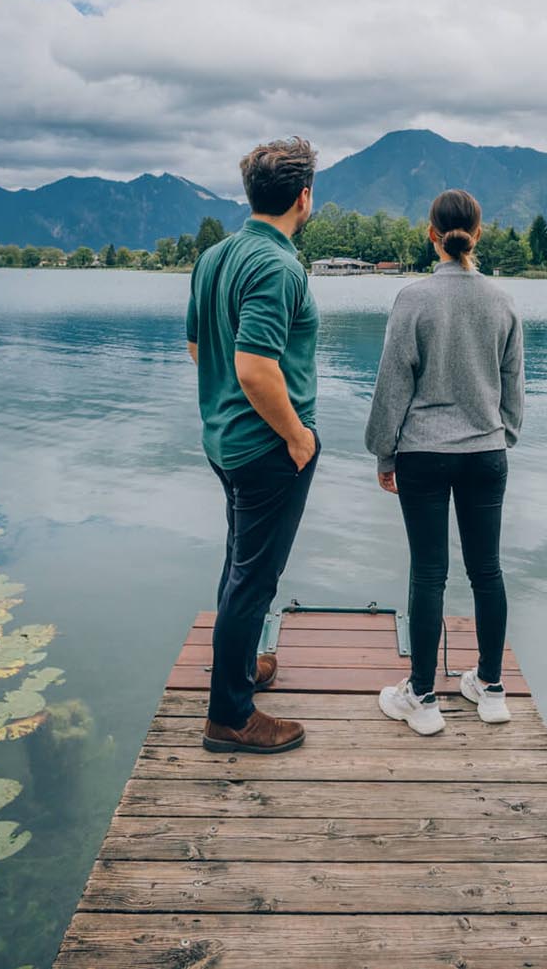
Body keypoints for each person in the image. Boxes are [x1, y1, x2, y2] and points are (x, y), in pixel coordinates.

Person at [365, 188, 524, 736]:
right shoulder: (501, 300)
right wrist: (502, 437)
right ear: (477, 234)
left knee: (428, 572)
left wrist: (384, 451)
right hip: (486, 452)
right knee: (488, 570)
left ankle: (424, 698)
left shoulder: (413, 298)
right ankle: (492, 688)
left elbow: (392, 384)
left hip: (424, 454)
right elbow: (514, 389)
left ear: (430, 234)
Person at [186, 137, 321, 754]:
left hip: (223, 441)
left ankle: (239, 673)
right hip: (267, 448)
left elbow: (197, 348)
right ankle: (231, 718)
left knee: (238, 565)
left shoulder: (215, 256)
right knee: (254, 579)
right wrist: (298, 438)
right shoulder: (279, 266)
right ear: (303, 197)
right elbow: (254, 368)